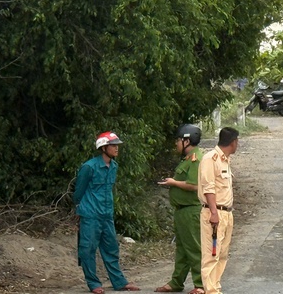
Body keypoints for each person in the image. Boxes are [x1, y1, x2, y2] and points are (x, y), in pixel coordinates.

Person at [73, 132, 140, 294]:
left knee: (111, 248)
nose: (116, 148)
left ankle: (119, 282)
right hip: (90, 215)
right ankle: (93, 283)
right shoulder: (89, 167)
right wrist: (81, 210)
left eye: (117, 145)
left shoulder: (114, 167)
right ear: (103, 148)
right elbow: (78, 193)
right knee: (88, 249)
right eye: (113, 145)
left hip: (106, 214)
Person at [155, 125, 205, 294]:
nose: (176, 143)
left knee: (193, 248)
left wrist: (173, 183)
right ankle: (176, 282)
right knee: (182, 249)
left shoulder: (196, 160)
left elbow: (194, 185)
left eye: (178, 140)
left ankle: (201, 284)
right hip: (182, 210)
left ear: (187, 141)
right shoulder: (187, 158)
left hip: (191, 210)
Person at [198, 127, 240, 294]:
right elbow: (209, 188)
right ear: (233, 142)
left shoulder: (225, 160)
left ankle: (215, 287)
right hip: (214, 213)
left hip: (226, 213)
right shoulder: (211, 159)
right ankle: (210, 290)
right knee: (211, 254)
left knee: (222, 253)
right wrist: (214, 213)